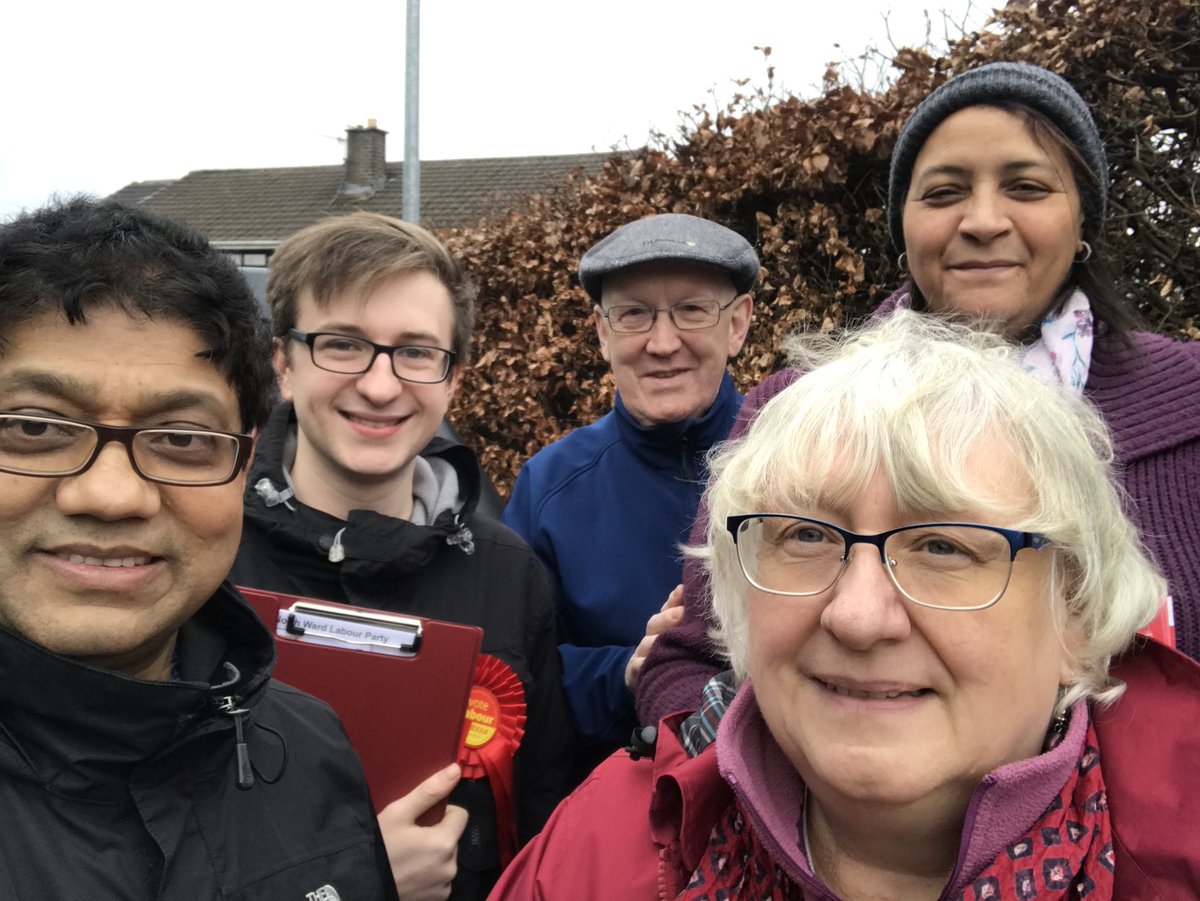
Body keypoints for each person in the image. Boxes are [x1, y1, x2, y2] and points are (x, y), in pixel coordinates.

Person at [490, 311, 1200, 900]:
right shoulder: (595, 852)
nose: (857, 617)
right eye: (805, 535)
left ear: (1076, 613)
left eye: (944, 546)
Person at [637, 61, 1200, 729]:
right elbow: (685, 660)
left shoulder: (1189, 405)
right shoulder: (789, 413)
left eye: (1025, 186)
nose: (983, 220)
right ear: (903, 226)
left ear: (1083, 219)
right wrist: (724, 751)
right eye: (943, 192)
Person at [0, 198, 397, 898]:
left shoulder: (315, 751)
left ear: (245, 463)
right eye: (35, 427)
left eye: (182, 438)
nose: (112, 495)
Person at [228, 211, 571, 901]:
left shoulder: (509, 574)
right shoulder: (206, 561)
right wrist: (359, 881)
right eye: (342, 344)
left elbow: (546, 822)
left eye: (415, 352)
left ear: (453, 381)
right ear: (283, 365)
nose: (381, 386)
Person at [502, 213, 759, 768]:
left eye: (692, 310)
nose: (662, 343)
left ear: (737, 325)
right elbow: (508, 672)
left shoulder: (803, 461)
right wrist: (627, 671)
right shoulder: (548, 488)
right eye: (634, 314)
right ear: (602, 332)